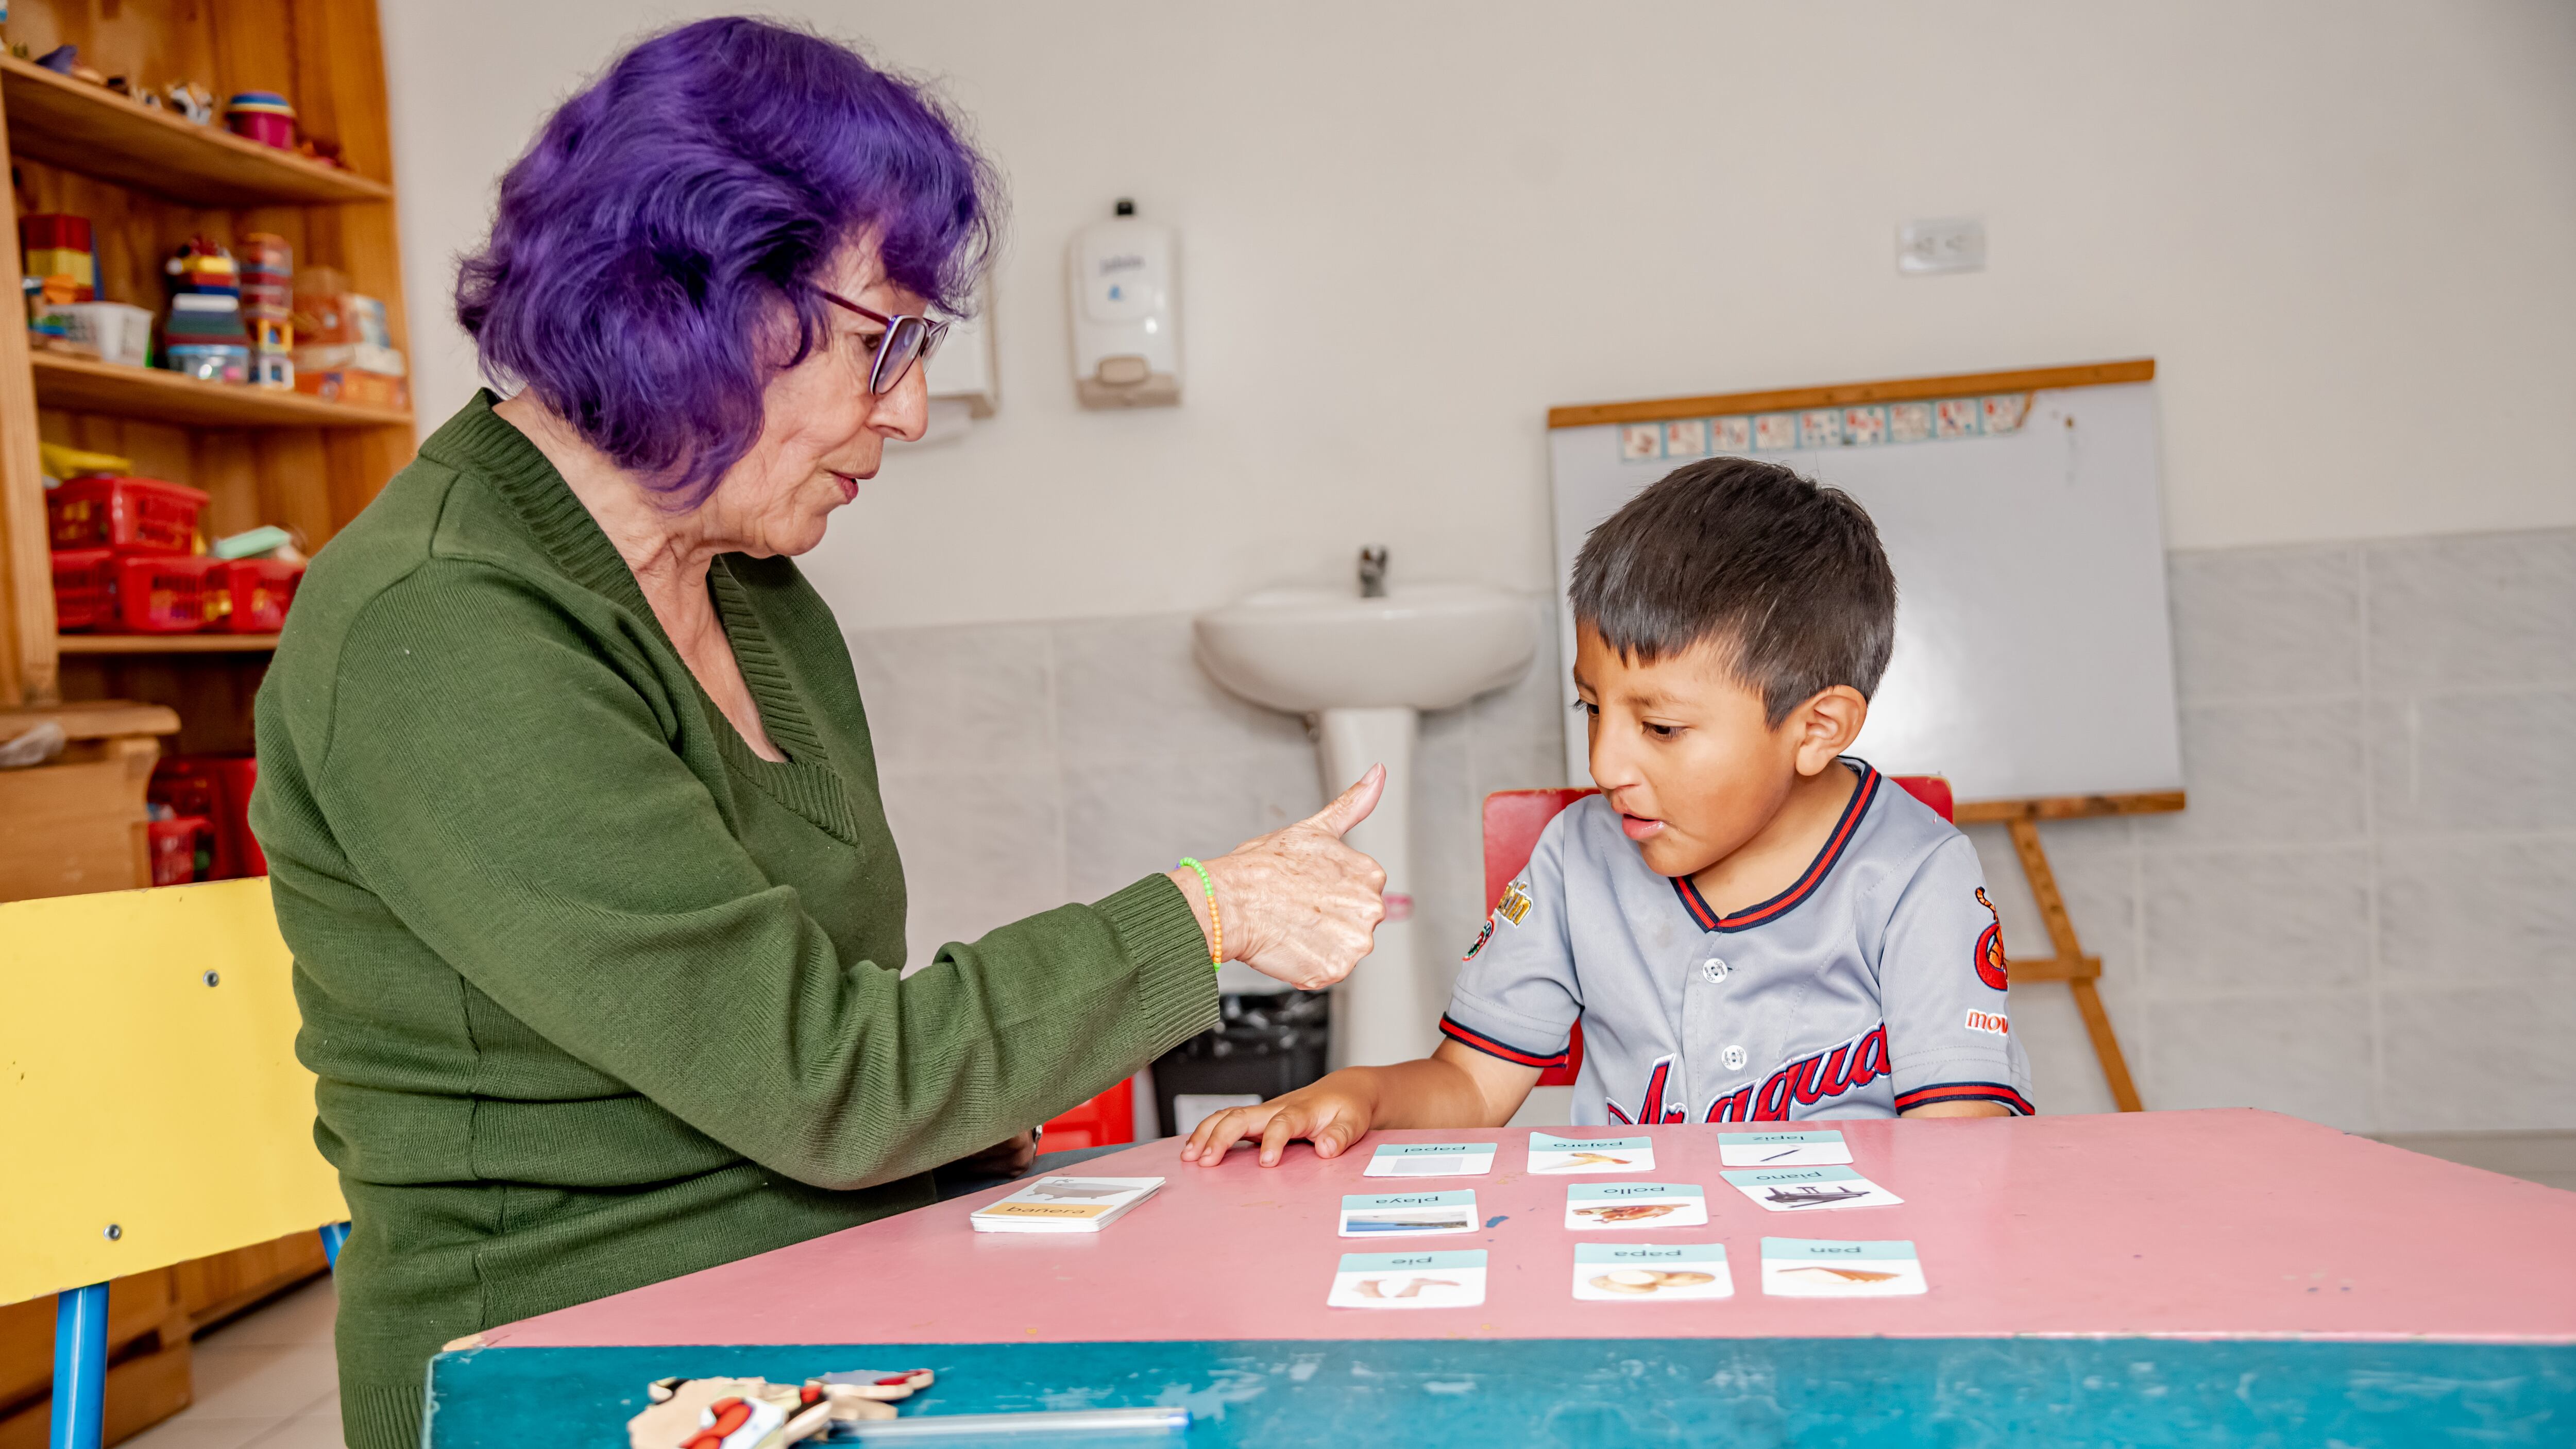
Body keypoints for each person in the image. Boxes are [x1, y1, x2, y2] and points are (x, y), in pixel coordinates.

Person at [249, 21, 1384, 1449]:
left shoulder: (755, 590)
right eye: (883, 341)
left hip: (822, 1289)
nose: (908, 408)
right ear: (690, 301)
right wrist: (1206, 912)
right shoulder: (441, 631)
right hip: (573, 1361)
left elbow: (836, 1050)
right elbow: (832, 1077)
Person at [1182, 457, 2031, 1168]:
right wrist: (1360, 1092)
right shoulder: (1578, 854)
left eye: (1660, 726)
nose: (1605, 764)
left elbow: (1957, 1156)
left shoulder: (1918, 874)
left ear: (1817, 729)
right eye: (1594, 709)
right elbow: (1474, 1085)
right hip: (1639, 1273)